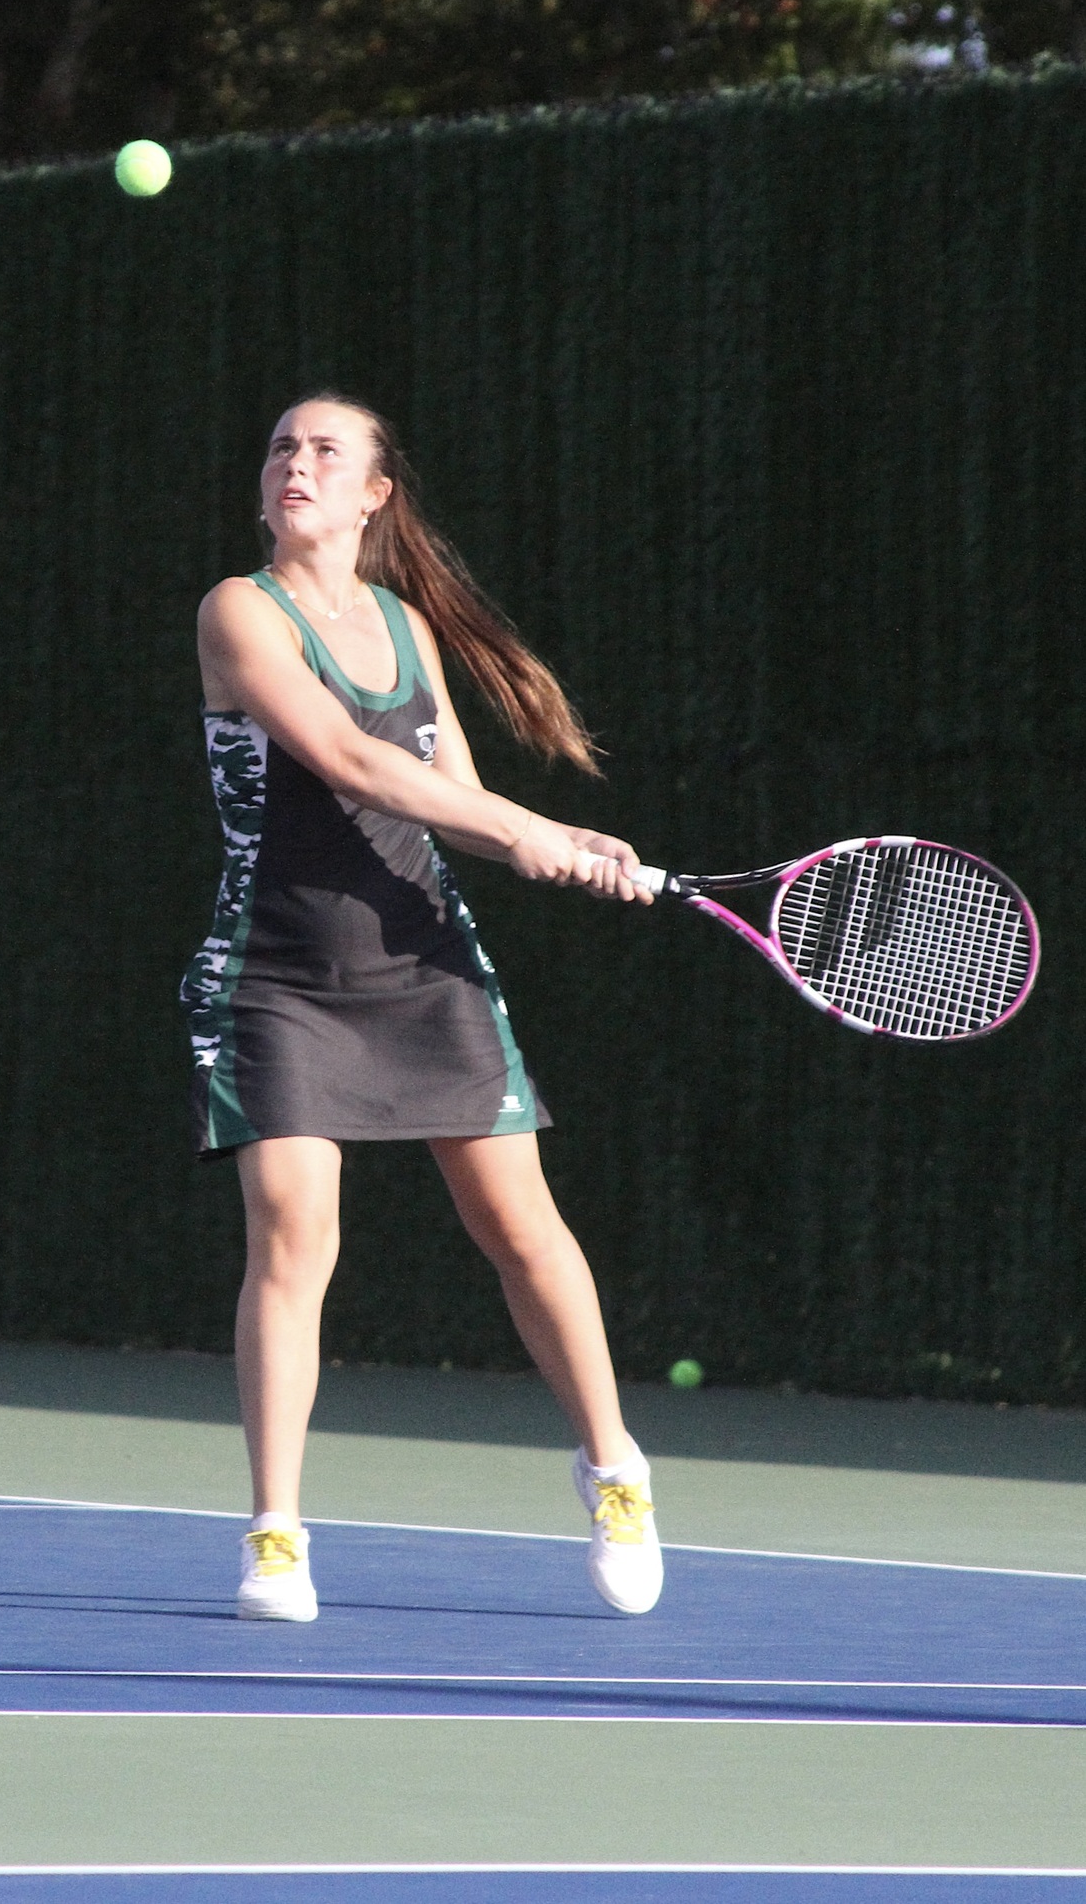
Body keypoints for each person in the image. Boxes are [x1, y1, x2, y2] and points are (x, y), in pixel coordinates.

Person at [181, 395, 660, 1624]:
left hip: (427, 964)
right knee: (292, 1232)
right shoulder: (240, 611)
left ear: (373, 495)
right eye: (281, 446)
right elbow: (346, 760)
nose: (296, 464)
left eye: (325, 452)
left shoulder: (399, 622)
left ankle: (615, 1469)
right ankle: (276, 1536)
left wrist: (554, 845)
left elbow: (448, 793)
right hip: (280, 974)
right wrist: (521, 827)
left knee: (521, 1226)